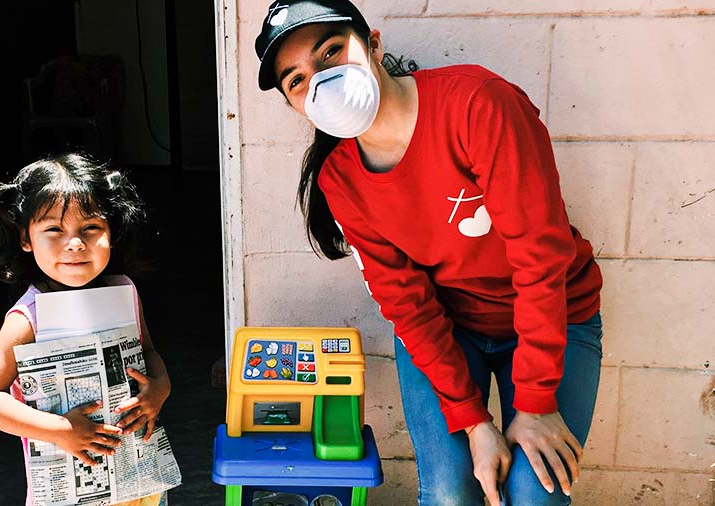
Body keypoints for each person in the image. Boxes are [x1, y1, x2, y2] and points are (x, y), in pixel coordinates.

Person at [254, 1, 604, 505]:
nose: (320, 82)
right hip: (450, 328)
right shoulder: (341, 180)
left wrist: (533, 403)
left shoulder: (478, 104)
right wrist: (472, 419)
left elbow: (540, 259)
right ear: (295, 104)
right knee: (448, 492)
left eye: (331, 53)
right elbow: (407, 305)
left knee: (536, 494)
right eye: (297, 80)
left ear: (373, 44)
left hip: (558, 317)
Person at [0, 153, 171, 506]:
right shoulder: (27, 317)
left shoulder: (125, 291)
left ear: (111, 231)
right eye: (54, 230)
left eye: (90, 228)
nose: (74, 243)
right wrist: (63, 431)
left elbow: (148, 352)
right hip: (70, 486)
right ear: (25, 237)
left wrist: (160, 388)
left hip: (136, 477)